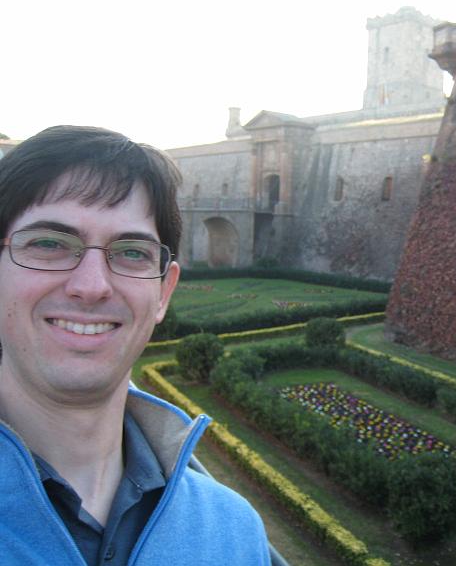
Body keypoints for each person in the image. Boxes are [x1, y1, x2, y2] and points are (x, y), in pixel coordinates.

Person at [0, 126, 274, 565]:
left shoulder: (235, 533)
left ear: (164, 292)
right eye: (49, 244)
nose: (91, 286)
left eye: (131, 252)